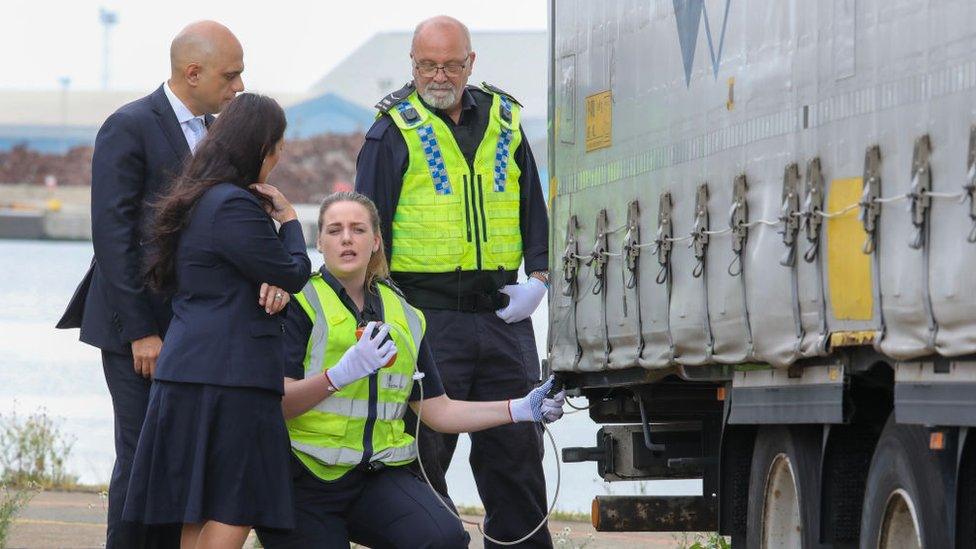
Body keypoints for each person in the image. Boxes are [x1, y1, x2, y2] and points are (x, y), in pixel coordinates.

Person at [55, 21, 291, 548]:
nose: (238, 87)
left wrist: (268, 280)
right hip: (137, 330)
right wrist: (141, 332)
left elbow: (226, 233)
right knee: (143, 463)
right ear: (193, 73)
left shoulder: (216, 136)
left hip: (194, 337)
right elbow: (112, 238)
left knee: (180, 469)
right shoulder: (130, 126)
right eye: (231, 76)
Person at [255, 192, 564, 549]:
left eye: (358, 229)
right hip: (303, 481)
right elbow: (277, 403)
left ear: (375, 242)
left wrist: (520, 408)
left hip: (375, 478)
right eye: (334, 230)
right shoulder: (297, 301)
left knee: (443, 539)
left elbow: (439, 411)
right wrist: (337, 376)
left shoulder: (403, 313)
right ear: (320, 242)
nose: (346, 238)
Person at [355, 15, 552, 548]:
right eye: (426, 65)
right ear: (412, 65)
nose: (438, 76)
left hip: (503, 316)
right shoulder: (391, 130)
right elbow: (365, 227)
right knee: (423, 459)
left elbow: (532, 206)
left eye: (449, 64)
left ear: (471, 63)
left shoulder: (507, 122)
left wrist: (538, 278)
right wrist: (378, 317)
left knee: (518, 457)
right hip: (425, 319)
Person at [121, 93, 310, 549]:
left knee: (197, 508)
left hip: (193, 372)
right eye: (278, 146)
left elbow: (249, 275)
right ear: (260, 148)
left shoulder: (198, 200)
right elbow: (293, 272)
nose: (279, 157)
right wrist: (289, 219)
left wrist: (272, 279)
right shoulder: (232, 205)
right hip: (231, 378)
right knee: (237, 505)